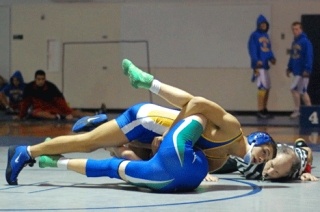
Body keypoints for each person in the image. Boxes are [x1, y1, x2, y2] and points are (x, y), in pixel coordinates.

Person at [5, 59, 277, 192]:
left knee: (126, 153)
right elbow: (196, 103)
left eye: (264, 160)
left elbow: (170, 156)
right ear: (256, 140)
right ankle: (26, 152)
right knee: (88, 145)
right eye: (264, 152)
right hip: (149, 119)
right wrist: (169, 130)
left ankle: (96, 126)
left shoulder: (219, 162)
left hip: (153, 137)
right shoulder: (231, 128)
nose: (260, 159)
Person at [213, 138, 318, 181]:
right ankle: (299, 143)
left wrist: (305, 172)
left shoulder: (294, 171)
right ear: (269, 158)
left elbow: (307, 151)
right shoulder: (249, 162)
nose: (270, 172)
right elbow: (307, 150)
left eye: (277, 172)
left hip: (289, 154)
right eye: (271, 165)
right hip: (280, 150)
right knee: (217, 165)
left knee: (300, 147)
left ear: (286, 175)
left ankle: (299, 143)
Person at [16, 69, 96, 120]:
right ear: (35, 79)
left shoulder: (51, 87)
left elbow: (60, 100)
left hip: (53, 107)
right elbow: (25, 103)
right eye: (39, 79)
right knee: (34, 113)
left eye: (43, 79)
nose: (41, 81)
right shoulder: (29, 88)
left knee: (73, 113)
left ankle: (96, 115)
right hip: (40, 110)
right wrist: (21, 116)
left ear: (45, 79)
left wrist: (66, 111)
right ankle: (58, 117)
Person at [248, 14, 276, 119]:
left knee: (267, 87)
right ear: (258, 25)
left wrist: (272, 57)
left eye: (265, 24)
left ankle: (264, 108)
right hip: (259, 66)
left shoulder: (266, 36)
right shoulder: (254, 36)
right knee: (262, 87)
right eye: (262, 24)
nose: (263, 26)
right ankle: (260, 109)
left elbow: (268, 50)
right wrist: (256, 60)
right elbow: (252, 49)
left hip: (266, 65)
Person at [287, 21, 313, 119]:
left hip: (302, 72)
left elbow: (309, 56)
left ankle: (297, 110)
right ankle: (310, 111)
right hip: (296, 71)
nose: (295, 31)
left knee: (293, 89)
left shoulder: (306, 42)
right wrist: (289, 67)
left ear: (301, 29)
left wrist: (307, 69)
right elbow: (292, 56)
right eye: (293, 29)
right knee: (302, 92)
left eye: (297, 29)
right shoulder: (294, 42)